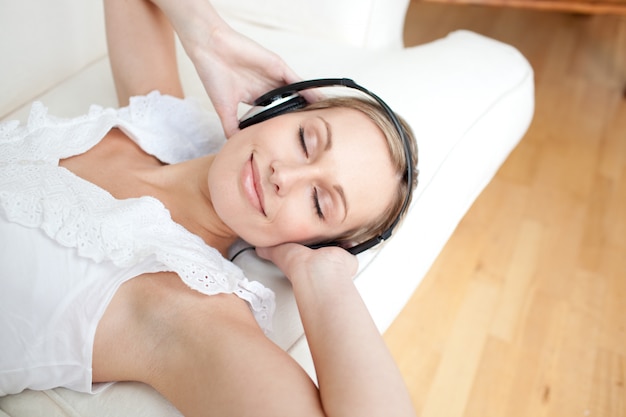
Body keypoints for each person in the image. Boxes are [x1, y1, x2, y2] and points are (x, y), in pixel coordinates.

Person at [0, 0, 419, 416]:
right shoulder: (163, 123)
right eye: (307, 140)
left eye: (318, 203)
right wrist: (209, 37)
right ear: (282, 108)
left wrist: (323, 279)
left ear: (314, 241)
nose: (284, 176)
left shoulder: (184, 306)